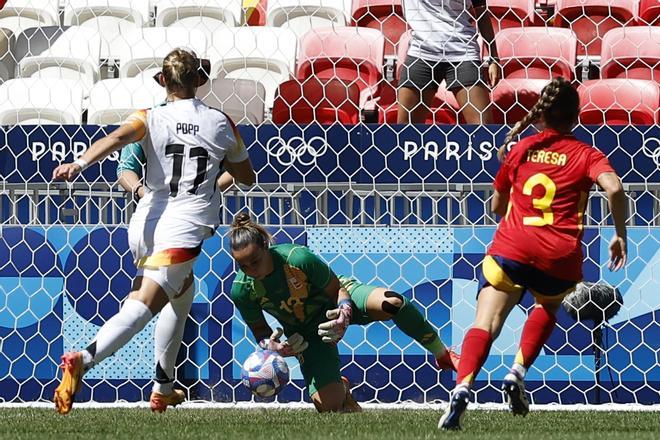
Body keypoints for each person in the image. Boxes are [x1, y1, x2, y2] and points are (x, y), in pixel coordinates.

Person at [51, 47, 256, 415]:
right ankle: (83, 359)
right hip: (184, 226)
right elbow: (246, 177)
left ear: (163, 81)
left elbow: (114, 139)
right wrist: (211, 183)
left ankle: (163, 388)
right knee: (144, 304)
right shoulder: (221, 122)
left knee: (183, 293)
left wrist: (78, 163)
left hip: (146, 219)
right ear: (199, 80)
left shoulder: (148, 117)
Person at [439, 77, 628, 429]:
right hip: (558, 255)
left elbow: (497, 206)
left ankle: (462, 387)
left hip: (513, 246)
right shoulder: (587, 154)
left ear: (541, 113)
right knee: (547, 305)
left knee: (486, 323)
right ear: (576, 116)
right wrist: (620, 235)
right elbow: (615, 188)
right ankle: (517, 372)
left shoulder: (521, 148)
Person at [229, 213, 459, 413]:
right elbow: (260, 332)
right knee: (329, 407)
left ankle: (442, 354)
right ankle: (341, 387)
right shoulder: (241, 290)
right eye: (243, 266)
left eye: (255, 261)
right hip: (308, 333)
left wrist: (344, 315)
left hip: (338, 302)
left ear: (266, 247)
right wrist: (275, 348)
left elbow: (337, 289)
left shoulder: (297, 258)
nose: (251, 270)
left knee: (392, 302)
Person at [398, 0, 500, 124]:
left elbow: (482, 12)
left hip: (463, 53)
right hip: (421, 52)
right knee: (406, 133)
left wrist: (494, 58)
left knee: (484, 131)